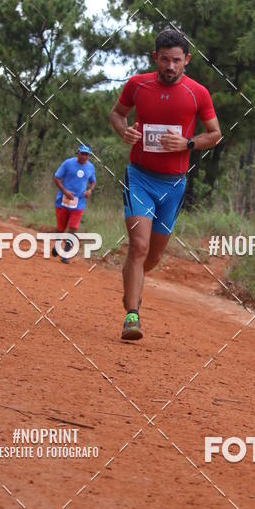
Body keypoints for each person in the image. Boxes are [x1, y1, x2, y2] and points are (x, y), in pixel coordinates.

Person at [109, 29, 221, 341]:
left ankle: (132, 286)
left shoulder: (198, 93)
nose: (170, 66)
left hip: (173, 185)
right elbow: (117, 114)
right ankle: (132, 314)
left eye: (176, 60)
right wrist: (124, 131)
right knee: (139, 246)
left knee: (153, 257)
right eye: (164, 59)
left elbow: (215, 134)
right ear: (155, 58)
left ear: (187, 60)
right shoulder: (137, 85)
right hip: (139, 177)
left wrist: (188, 143)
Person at [53, 145, 96, 263]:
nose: (84, 157)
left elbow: (93, 181)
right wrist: (65, 192)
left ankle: (66, 254)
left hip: (79, 203)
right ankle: (57, 244)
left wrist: (90, 190)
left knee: (73, 227)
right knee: (61, 228)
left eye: (87, 155)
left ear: (89, 156)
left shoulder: (91, 167)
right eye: (82, 154)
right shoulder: (68, 163)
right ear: (78, 153)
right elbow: (56, 178)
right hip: (62, 202)